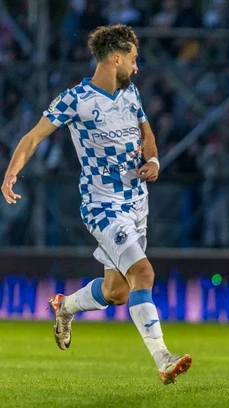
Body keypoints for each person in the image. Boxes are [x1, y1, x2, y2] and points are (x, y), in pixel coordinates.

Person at [0, 25, 191, 384]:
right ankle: (163, 358)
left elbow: (146, 132)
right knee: (144, 274)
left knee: (117, 292)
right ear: (115, 58)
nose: (137, 67)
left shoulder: (130, 93)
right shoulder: (75, 100)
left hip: (137, 203)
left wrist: (154, 161)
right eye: (133, 60)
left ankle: (65, 307)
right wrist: (11, 173)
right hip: (103, 206)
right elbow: (32, 137)